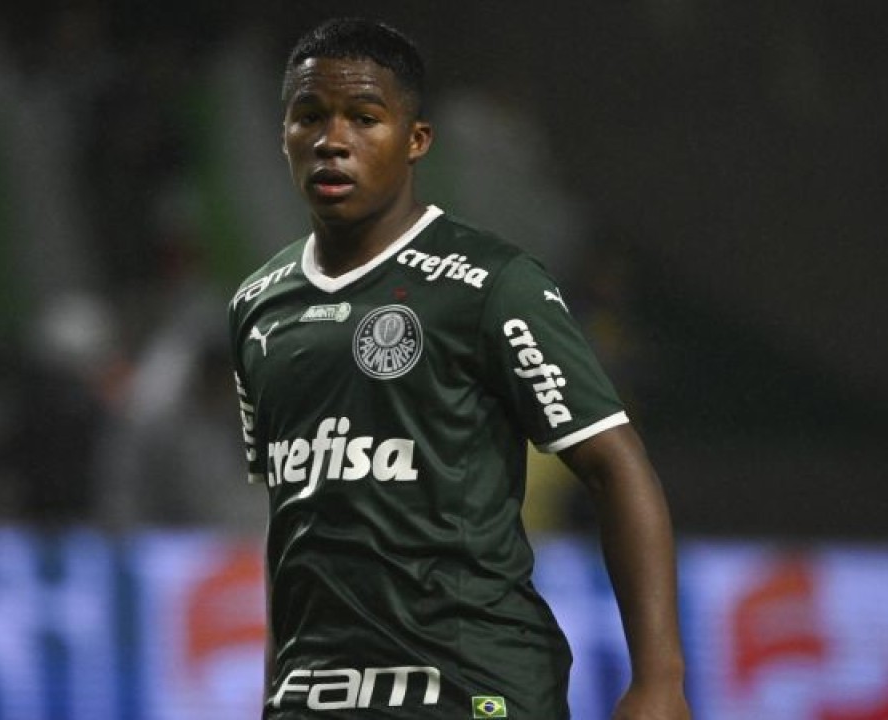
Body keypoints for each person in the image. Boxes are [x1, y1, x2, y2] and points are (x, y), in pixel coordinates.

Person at [227, 17, 690, 720]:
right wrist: (277, 691)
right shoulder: (257, 307)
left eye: (364, 118)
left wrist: (660, 681)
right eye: (309, 116)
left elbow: (615, 465)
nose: (332, 140)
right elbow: (292, 529)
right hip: (315, 696)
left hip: (471, 687)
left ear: (416, 140)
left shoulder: (490, 284)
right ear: (284, 135)